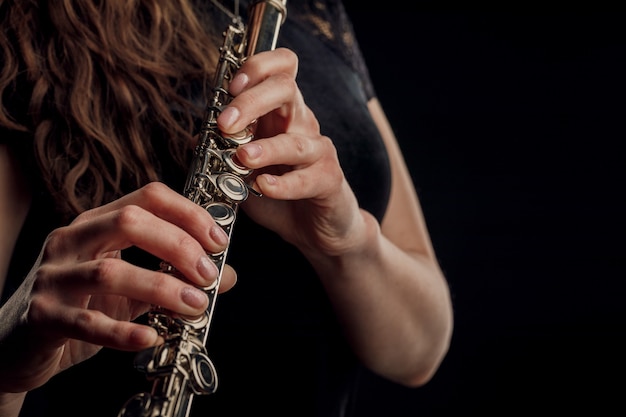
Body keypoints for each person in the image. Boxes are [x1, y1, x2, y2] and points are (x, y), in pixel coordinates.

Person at [0, 0, 453, 416]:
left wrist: (346, 242)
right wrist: (8, 367)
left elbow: (420, 352)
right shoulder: (25, 22)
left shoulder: (316, 11)